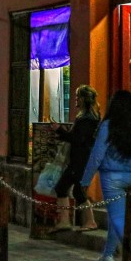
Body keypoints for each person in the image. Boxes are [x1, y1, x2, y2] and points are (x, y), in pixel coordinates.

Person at [79, 90, 131, 261]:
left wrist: (85, 179)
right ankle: (108, 254)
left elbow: (97, 155)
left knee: (117, 217)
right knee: (116, 216)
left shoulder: (108, 126)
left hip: (112, 177)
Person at [52, 85, 101, 232]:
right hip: (80, 159)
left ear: (84, 99)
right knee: (72, 189)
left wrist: (59, 130)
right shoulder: (88, 118)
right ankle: (69, 220)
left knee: (68, 188)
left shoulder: (87, 119)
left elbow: (78, 139)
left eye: (78, 96)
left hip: (80, 160)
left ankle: (86, 221)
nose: (75, 99)